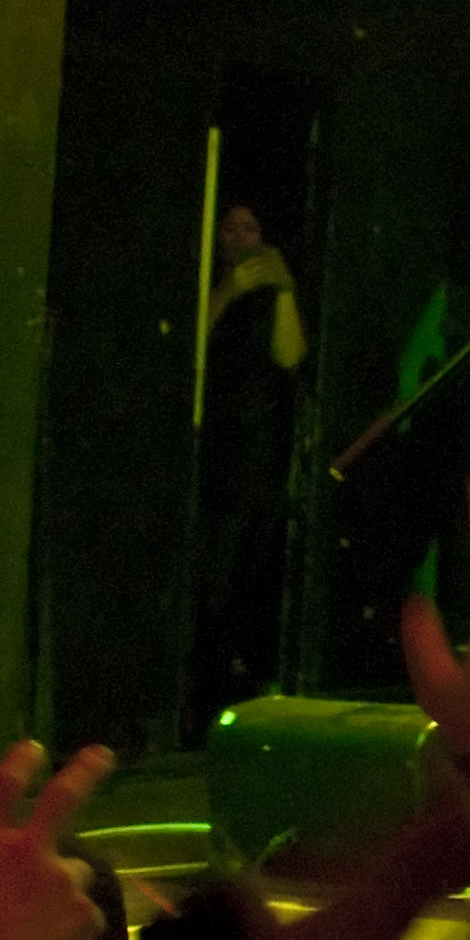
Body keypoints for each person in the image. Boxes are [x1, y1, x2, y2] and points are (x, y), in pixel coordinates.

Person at [190, 200, 310, 728]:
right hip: (212, 445)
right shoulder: (208, 284)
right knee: (212, 571)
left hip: (256, 454)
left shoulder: (267, 297)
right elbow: (193, 340)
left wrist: (282, 289)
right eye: (231, 229)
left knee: (247, 570)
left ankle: (234, 677)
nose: (242, 239)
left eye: (251, 229)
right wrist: (228, 290)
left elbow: (290, 357)